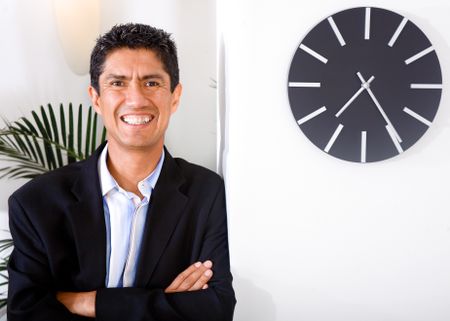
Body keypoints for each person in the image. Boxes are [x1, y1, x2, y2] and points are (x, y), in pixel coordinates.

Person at [7, 23, 236, 320]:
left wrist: (90, 304)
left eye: (152, 83)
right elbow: (28, 316)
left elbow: (215, 310)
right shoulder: (35, 202)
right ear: (96, 98)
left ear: (175, 96)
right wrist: (162, 306)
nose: (137, 99)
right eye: (118, 83)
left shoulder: (206, 193)